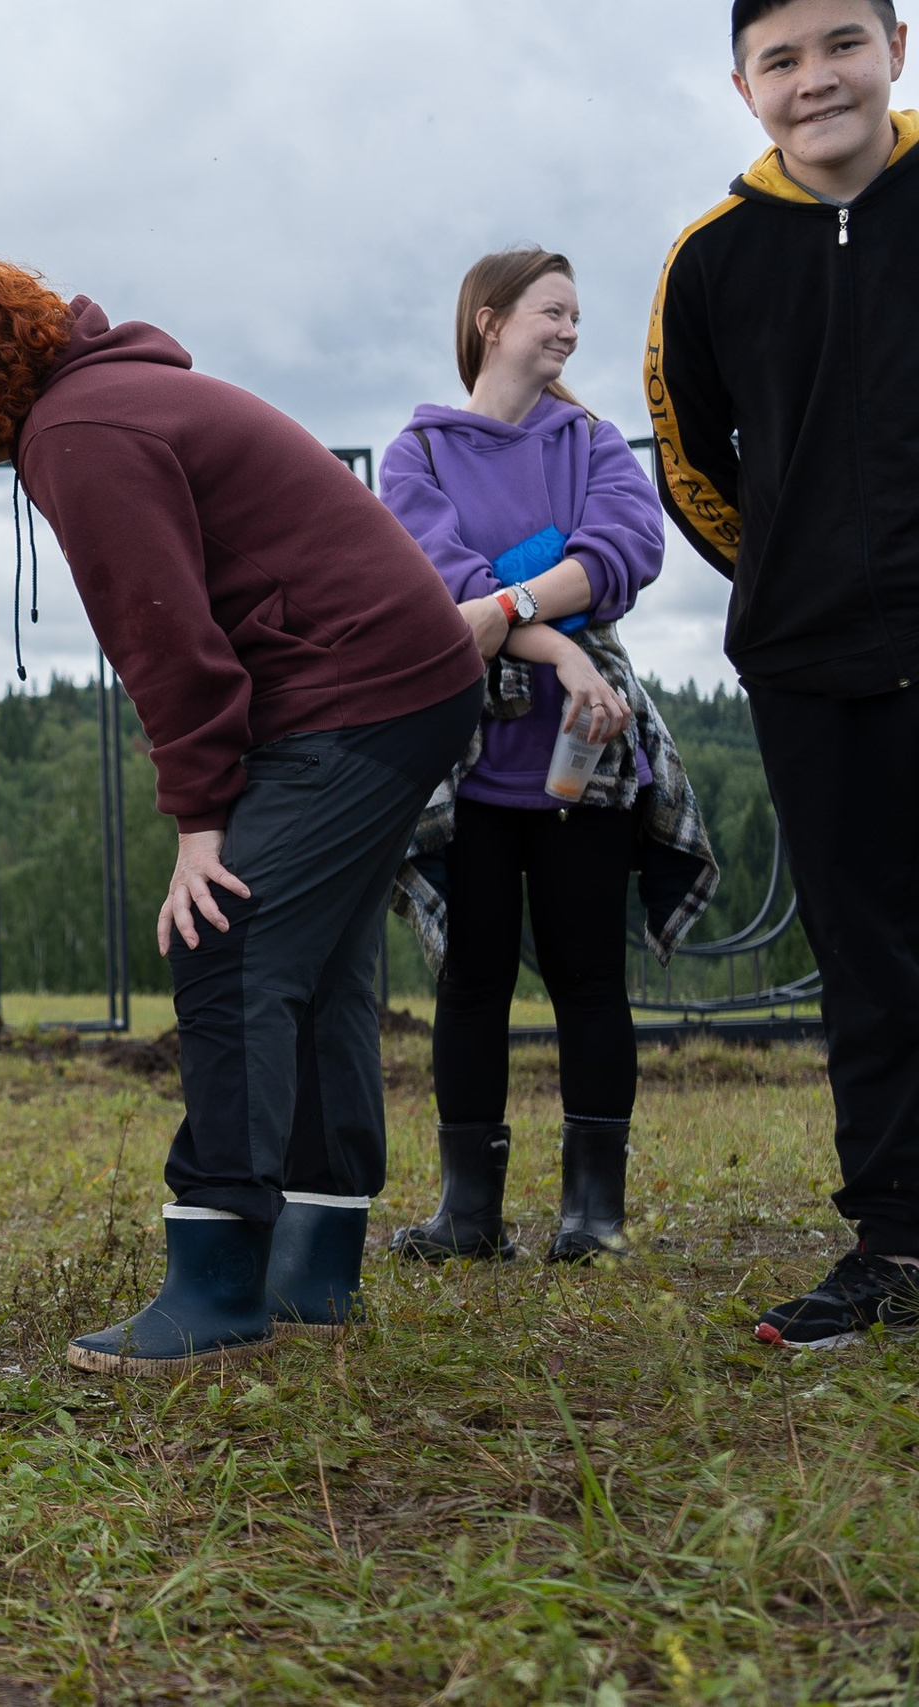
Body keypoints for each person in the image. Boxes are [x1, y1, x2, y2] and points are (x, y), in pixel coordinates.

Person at [0, 259, 486, 1375]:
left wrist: (200, 823)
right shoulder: (112, 400)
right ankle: (316, 1264)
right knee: (318, 965)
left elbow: (164, 638)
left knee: (227, 938)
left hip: (357, 690)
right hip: (402, 680)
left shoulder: (81, 431)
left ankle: (216, 1285)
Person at [651, 0, 919, 1347]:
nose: (816, 80)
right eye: (783, 59)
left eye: (841, 45)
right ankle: (898, 1238)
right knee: (866, 951)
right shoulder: (710, 258)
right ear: (744, 84)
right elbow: (688, 449)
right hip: (813, 658)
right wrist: (783, 574)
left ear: (897, 48)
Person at [379, 248, 714, 1270]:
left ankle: (591, 1218)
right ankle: (467, 1216)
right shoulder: (417, 454)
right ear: (488, 319)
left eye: (575, 316)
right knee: (472, 982)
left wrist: (510, 601)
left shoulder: (595, 442)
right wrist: (563, 631)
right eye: (549, 312)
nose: (569, 331)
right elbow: (438, 585)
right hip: (465, 764)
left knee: (586, 979)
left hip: (586, 757)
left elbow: (627, 550)